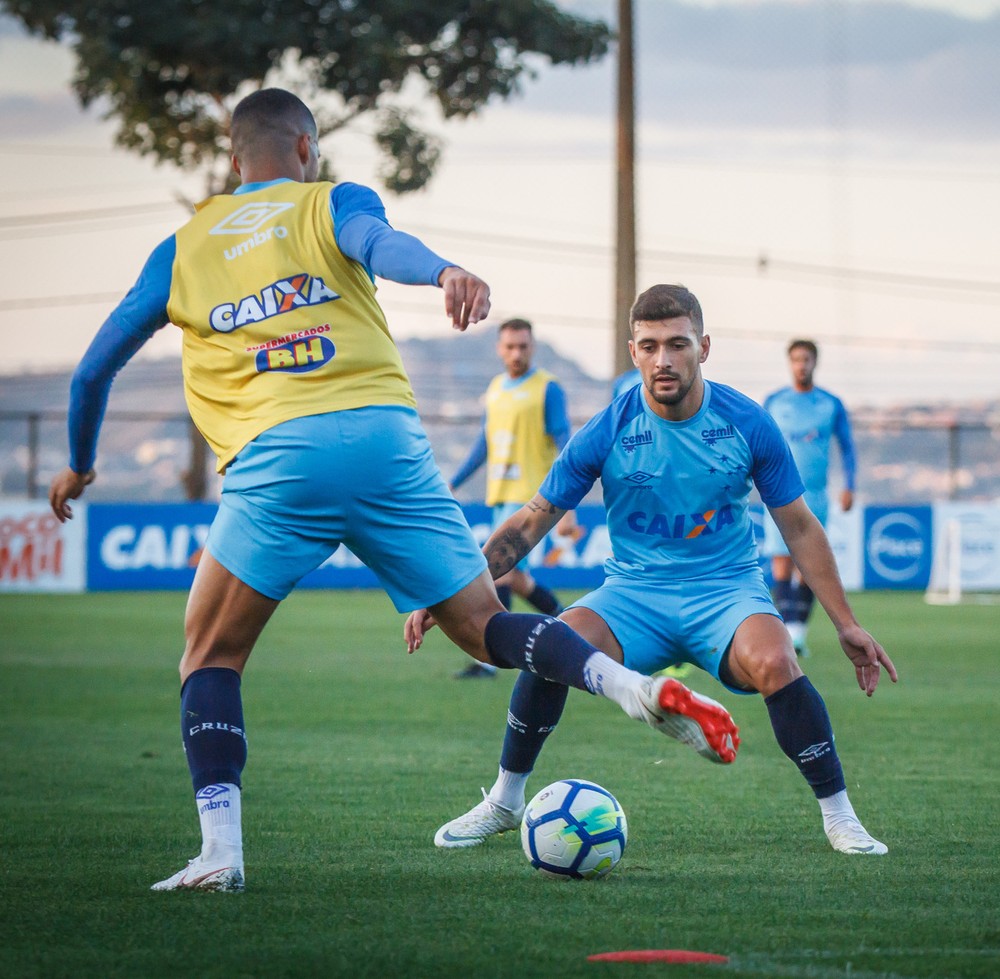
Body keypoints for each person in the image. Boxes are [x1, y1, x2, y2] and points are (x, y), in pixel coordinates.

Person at [48, 91, 738, 893]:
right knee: (487, 629)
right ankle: (630, 686)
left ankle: (220, 851)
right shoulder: (329, 202)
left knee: (210, 653)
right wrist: (444, 270)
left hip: (279, 456)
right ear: (307, 148)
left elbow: (94, 368)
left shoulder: (182, 248)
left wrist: (79, 462)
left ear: (235, 160)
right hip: (385, 438)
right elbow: (380, 244)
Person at [407, 283, 897, 856]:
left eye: (678, 344)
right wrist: (454, 589)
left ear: (703, 347)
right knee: (549, 645)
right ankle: (505, 799)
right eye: (649, 346)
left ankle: (840, 817)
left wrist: (845, 623)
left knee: (775, 660)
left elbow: (801, 527)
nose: (664, 360)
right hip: (632, 595)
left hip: (726, 593)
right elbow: (533, 520)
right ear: (633, 352)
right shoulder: (608, 427)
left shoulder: (748, 421)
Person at [449, 318, 577, 678]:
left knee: (497, 575)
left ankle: (489, 661)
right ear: (499, 348)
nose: (517, 352)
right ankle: (570, 624)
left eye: (523, 346)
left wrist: (567, 504)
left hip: (533, 500)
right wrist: (454, 482)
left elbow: (564, 443)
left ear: (532, 346)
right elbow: (485, 443)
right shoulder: (495, 389)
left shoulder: (547, 388)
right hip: (501, 494)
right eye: (510, 346)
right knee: (514, 579)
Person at [762, 340, 857, 656]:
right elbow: (757, 443)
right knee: (780, 563)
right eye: (796, 360)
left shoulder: (830, 403)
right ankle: (789, 631)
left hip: (814, 496)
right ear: (789, 363)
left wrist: (849, 485)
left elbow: (847, 447)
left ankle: (798, 634)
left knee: (807, 563)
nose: (801, 365)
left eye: (806, 359)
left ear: (815, 362)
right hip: (776, 494)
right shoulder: (775, 402)